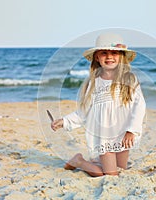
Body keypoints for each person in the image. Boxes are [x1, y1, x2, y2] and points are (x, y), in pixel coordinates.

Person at [51, 33, 146, 177]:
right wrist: (65, 121)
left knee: (121, 169)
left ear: (121, 56)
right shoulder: (94, 82)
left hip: (123, 133)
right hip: (104, 136)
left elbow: (139, 107)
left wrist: (131, 130)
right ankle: (79, 161)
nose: (109, 57)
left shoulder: (130, 79)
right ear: (97, 57)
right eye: (104, 53)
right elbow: (84, 111)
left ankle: (96, 161)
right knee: (109, 175)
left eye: (114, 53)